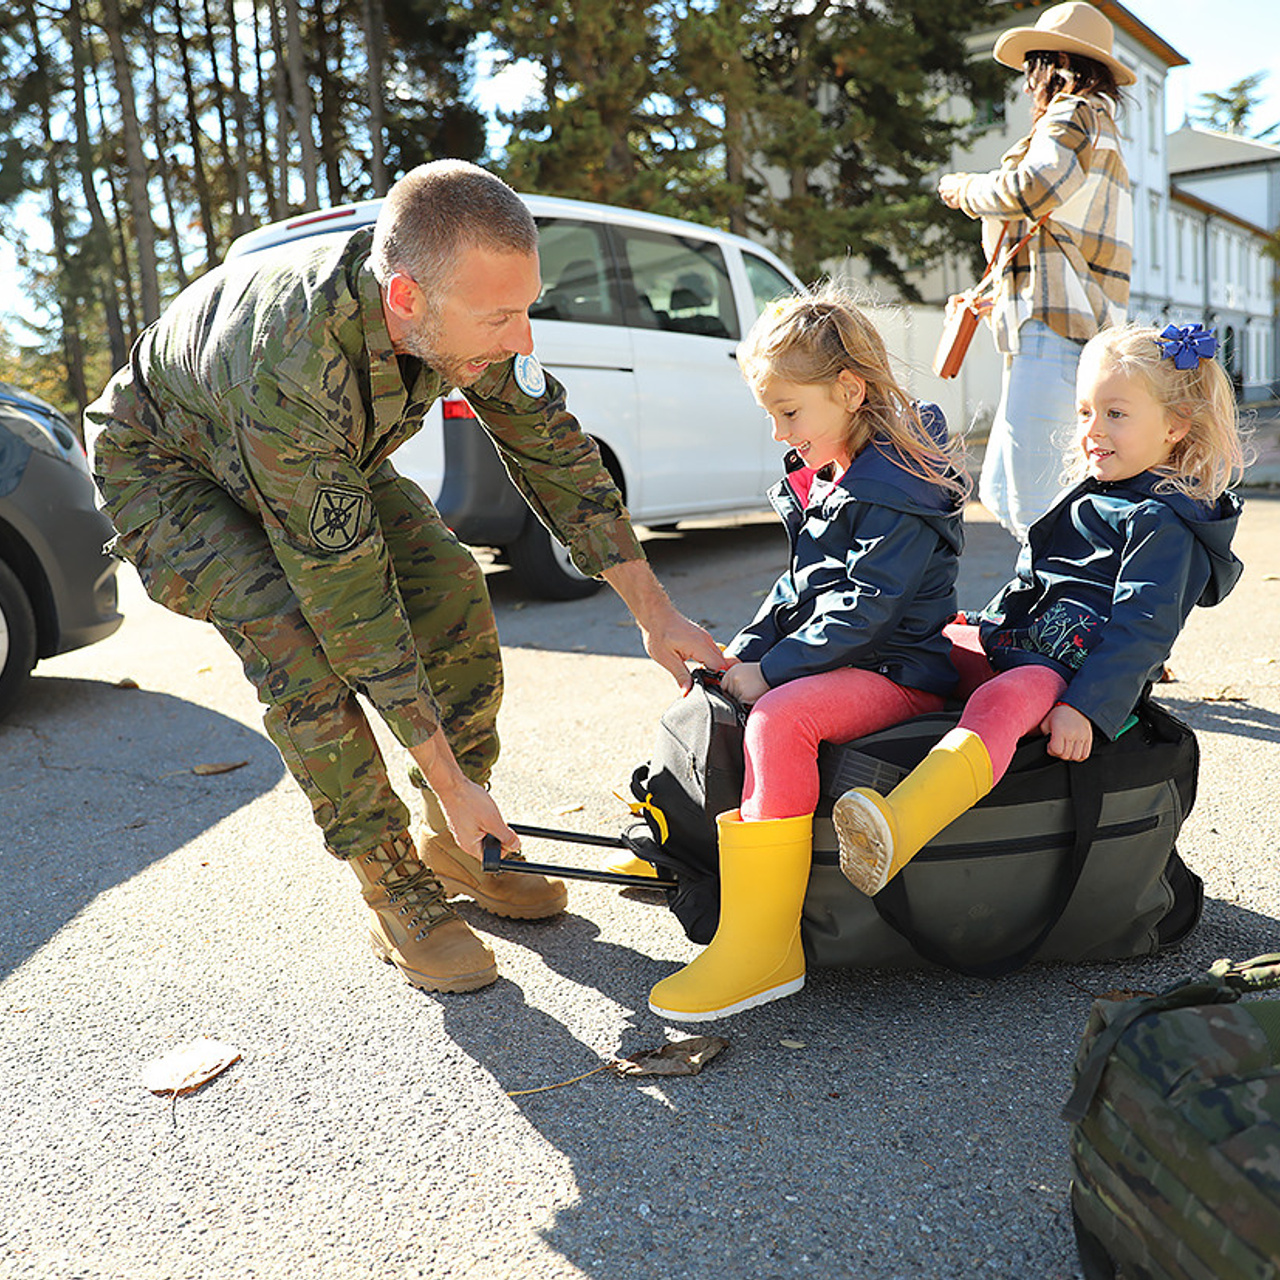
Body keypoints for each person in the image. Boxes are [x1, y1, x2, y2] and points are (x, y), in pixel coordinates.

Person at [86, 160, 724, 997]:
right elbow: (354, 610)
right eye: (502, 317)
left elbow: (551, 445)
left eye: (526, 309)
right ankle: (396, 885)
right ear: (405, 301)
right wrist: (451, 778)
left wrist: (654, 612)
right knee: (299, 647)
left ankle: (460, 838)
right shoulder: (293, 364)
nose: (521, 338)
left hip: (303, 453)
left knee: (450, 585)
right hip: (169, 475)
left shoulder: (456, 301)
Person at [833, 322, 1245, 897]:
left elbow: (1140, 633)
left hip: (1067, 670)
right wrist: (979, 628)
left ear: (1176, 427)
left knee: (1000, 702)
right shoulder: (1101, 489)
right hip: (1022, 643)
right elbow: (1040, 582)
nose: (1093, 431)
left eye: (1116, 414)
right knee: (928, 644)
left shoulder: (1160, 521)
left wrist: (1087, 707)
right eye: (1084, 412)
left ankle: (902, 825)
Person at [647, 286, 968, 1022]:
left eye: (789, 413)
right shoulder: (833, 470)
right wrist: (744, 658)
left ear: (849, 391)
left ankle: (765, 951)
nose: (777, 433)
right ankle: (698, 846)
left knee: (779, 718)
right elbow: (798, 587)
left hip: (902, 673)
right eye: (771, 416)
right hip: (855, 663)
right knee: (718, 697)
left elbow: (866, 609)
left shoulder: (897, 489)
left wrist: (777, 672)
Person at [938, 1, 1133, 542]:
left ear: (1054, 67)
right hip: (1059, 325)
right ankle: (1064, 608)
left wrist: (966, 189)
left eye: (1032, 69)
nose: (1027, 86)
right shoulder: (1100, 125)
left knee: (1036, 507)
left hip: (1054, 329)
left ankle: (1060, 620)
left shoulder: (1072, 114)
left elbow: (1033, 189)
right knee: (1002, 490)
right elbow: (1055, 229)